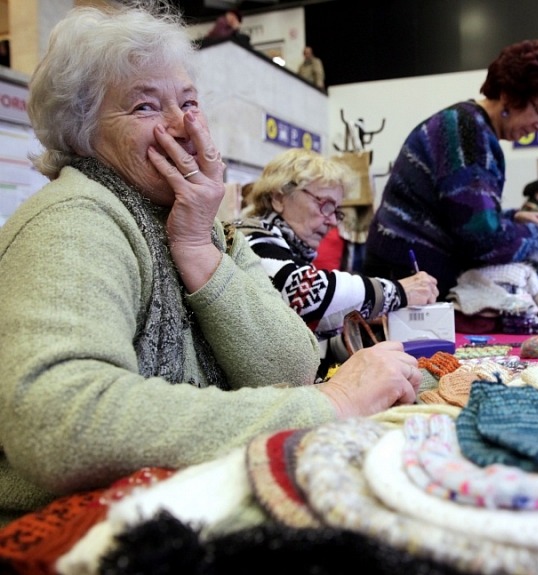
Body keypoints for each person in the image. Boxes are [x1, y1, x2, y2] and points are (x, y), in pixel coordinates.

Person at [0, 1, 421, 526]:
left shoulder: (200, 221)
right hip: (83, 534)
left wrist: (200, 249)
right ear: (81, 132)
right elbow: (59, 422)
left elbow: (290, 364)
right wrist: (329, 404)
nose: (181, 125)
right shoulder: (75, 218)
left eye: (189, 101)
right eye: (145, 107)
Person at [363, 40, 538, 300]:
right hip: (404, 283)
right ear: (510, 94)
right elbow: (482, 240)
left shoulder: (471, 129)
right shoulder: (466, 133)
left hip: (412, 279)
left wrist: (514, 218)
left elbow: (457, 214)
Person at [236, 148, 438, 371]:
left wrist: (359, 328)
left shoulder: (289, 249)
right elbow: (308, 294)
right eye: (325, 205)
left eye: (336, 211)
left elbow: (309, 343)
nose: (332, 221)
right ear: (278, 198)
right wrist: (398, 292)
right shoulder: (250, 238)